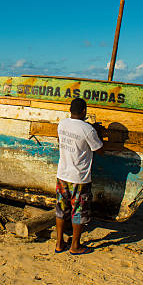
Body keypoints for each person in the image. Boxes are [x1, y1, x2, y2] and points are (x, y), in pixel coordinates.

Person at [55, 97, 103, 255]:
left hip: (62, 174)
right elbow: (99, 150)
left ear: (70, 110)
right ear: (84, 111)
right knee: (79, 211)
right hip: (79, 178)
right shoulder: (88, 130)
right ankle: (75, 246)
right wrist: (98, 133)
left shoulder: (62, 124)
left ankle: (59, 243)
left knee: (61, 209)